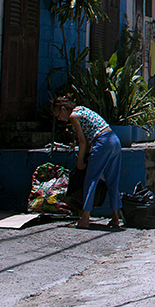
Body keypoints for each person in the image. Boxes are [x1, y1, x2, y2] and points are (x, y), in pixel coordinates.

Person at [51, 96, 122, 229]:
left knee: (91, 180)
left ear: (63, 109)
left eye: (58, 115)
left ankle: (85, 219)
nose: (59, 119)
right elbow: (91, 133)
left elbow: (82, 141)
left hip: (102, 143)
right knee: (112, 181)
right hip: (114, 140)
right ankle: (115, 218)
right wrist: (89, 154)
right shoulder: (81, 109)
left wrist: (80, 162)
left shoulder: (73, 116)